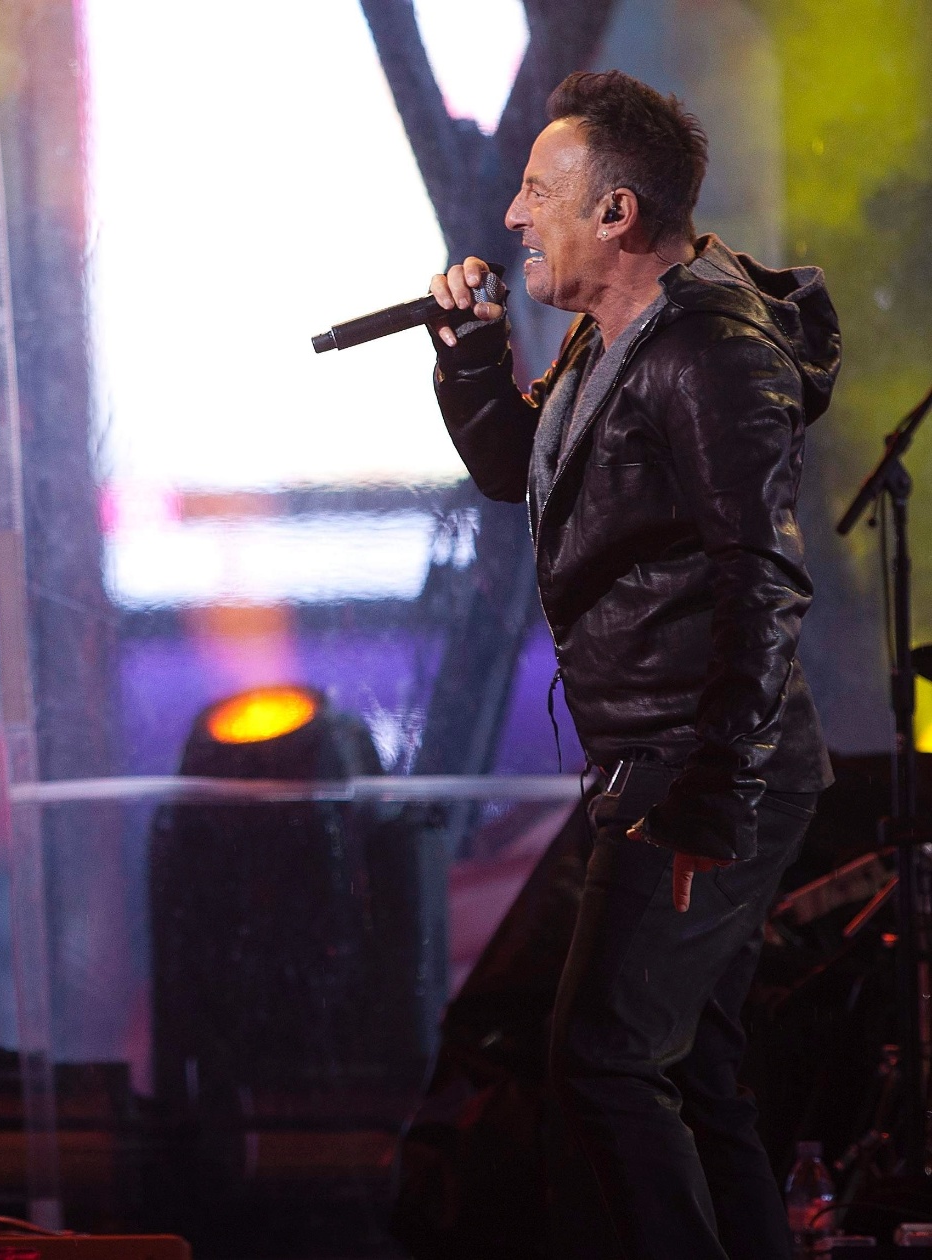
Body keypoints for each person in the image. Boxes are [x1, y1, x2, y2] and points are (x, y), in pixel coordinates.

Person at [427, 71, 839, 1258]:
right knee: (693, 1070)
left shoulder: (707, 347)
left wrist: (715, 788)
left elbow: (759, 574)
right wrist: (469, 359)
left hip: (705, 766)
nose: (513, 216)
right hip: (670, 759)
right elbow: (521, 473)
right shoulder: (613, 338)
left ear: (615, 214)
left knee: (604, 1060)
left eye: (536, 190)